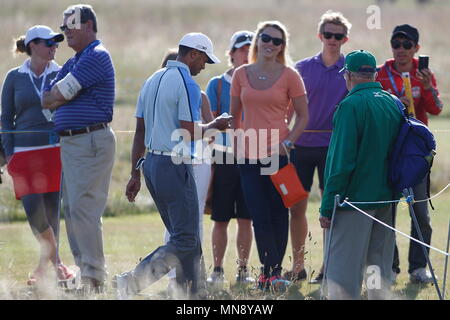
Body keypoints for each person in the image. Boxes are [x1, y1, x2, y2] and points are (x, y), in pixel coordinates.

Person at [117, 32, 230, 299]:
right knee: (186, 238)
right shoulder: (187, 84)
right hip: (173, 165)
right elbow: (189, 132)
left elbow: (139, 131)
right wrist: (216, 125)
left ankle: (192, 293)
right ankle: (131, 282)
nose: (204, 66)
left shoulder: (151, 79)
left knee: (185, 235)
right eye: (204, 60)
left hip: (152, 165)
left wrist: (135, 173)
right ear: (193, 54)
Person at [42, 4, 116, 293]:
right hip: (75, 143)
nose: (66, 31)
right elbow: (47, 99)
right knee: (72, 210)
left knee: (84, 209)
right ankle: (87, 272)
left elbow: (58, 94)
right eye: (63, 27)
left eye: (71, 25)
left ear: (88, 26)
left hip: (90, 141)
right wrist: (57, 96)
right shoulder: (75, 62)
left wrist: (58, 97)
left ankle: (94, 277)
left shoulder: (95, 56)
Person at [230, 21, 309, 290]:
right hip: (248, 158)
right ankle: (271, 272)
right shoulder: (241, 74)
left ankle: (271, 274)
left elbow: (303, 115)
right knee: (258, 214)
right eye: (266, 38)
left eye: (277, 41)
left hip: (278, 156)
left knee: (278, 213)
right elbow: (234, 117)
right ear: (258, 40)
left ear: (282, 46)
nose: (270, 44)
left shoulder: (290, 75)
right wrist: (238, 144)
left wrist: (287, 143)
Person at [320, 50, 402, 300]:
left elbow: (341, 163)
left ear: (349, 75)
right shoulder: (392, 102)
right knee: (378, 269)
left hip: (353, 201)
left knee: (344, 274)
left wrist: (326, 206)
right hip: (386, 199)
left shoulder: (350, 105)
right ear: (374, 74)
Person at [1, 25, 75, 286]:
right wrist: (9, 156)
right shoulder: (14, 77)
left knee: (52, 213)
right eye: (49, 43)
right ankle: (55, 265)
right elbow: (5, 119)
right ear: (33, 46)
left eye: (56, 43)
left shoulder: (63, 72)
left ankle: (50, 269)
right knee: (34, 211)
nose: (55, 47)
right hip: (22, 154)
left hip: (55, 152)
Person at [286, 11, 351, 284]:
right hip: (299, 147)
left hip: (333, 149)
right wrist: (285, 139)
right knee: (295, 207)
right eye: (328, 35)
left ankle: (329, 267)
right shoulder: (301, 68)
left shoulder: (351, 70)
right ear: (320, 36)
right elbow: (288, 107)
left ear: (345, 39)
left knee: (331, 209)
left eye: (338, 36)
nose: (333, 40)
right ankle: (298, 266)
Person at [376, 24, 443, 283]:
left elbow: (437, 109)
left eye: (407, 45)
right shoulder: (381, 73)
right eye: (397, 44)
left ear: (417, 48)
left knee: (421, 214)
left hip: (415, 154)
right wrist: (393, 101)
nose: (401, 49)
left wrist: (428, 88)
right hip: (389, 150)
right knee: (387, 212)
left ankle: (418, 268)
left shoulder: (423, 73)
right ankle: (390, 268)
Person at [159, 48, 215, 296]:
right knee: (173, 219)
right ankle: (175, 275)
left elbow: (210, 131)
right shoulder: (160, 97)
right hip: (172, 158)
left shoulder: (200, 95)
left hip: (198, 159)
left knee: (195, 215)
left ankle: (193, 275)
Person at [205, 30, 254, 286]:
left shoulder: (261, 82)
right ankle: (217, 270)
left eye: (250, 48)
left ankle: (244, 271)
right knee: (220, 218)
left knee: (247, 219)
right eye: (241, 48)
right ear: (232, 53)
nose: (246, 53)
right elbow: (209, 124)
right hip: (223, 159)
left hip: (252, 158)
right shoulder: (218, 84)